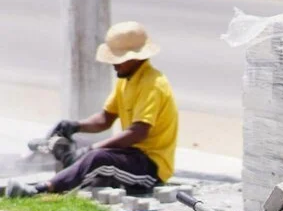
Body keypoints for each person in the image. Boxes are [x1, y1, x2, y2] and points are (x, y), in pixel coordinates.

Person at [6, 22, 178, 198]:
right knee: (93, 157)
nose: (114, 64)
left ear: (135, 58)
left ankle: (41, 189)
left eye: (118, 60)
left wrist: (91, 149)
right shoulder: (126, 80)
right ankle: (69, 167)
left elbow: (138, 132)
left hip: (150, 167)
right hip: (131, 155)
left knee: (97, 159)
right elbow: (105, 118)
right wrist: (75, 126)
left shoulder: (153, 84)